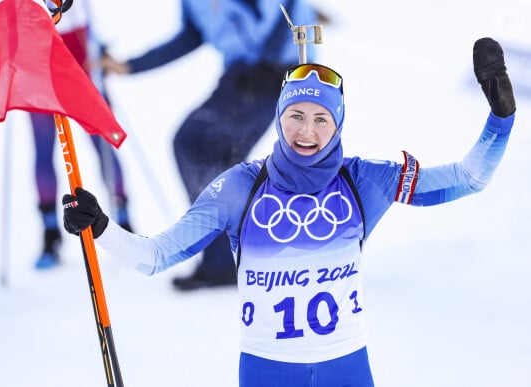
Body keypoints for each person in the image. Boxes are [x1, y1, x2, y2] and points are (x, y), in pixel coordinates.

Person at [61, 37, 515, 386]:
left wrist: (500, 117)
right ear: (278, 116)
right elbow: (156, 256)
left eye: (322, 119)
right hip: (267, 370)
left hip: (347, 368)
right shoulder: (240, 187)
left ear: (338, 125)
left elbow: (467, 179)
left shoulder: (364, 180)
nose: (307, 131)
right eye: (296, 114)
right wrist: (101, 228)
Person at [100, 0, 319, 290]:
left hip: (282, 73)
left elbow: (288, 7)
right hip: (241, 76)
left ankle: (230, 257)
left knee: (196, 143)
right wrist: (129, 66)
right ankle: (234, 255)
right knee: (213, 153)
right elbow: (190, 36)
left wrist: (269, 64)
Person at [32, 0, 132, 269]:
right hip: (37, 46)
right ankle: (50, 233)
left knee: (100, 137)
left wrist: (96, 46)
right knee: (43, 145)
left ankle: (123, 219)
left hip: (76, 43)